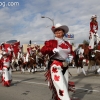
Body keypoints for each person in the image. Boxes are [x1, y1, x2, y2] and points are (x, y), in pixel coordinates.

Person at [41, 23, 76, 100]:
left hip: (65, 66)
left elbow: (72, 53)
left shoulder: (67, 44)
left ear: (63, 32)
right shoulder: (52, 42)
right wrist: (50, 49)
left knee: (65, 86)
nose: (57, 32)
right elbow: (43, 50)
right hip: (55, 66)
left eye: (59, 30)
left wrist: (69, 58)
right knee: (61, 87)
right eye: (56, 31)